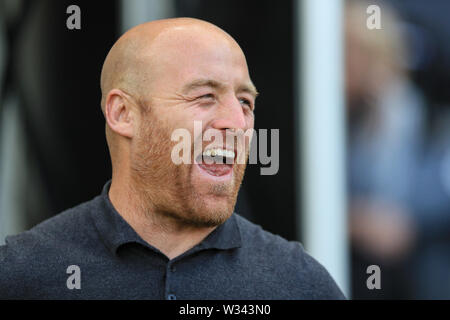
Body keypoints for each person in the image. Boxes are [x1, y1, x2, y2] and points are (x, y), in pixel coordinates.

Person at [0, 18, 344, 299]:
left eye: (245, 102)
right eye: (205, 96)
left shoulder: (298, 283)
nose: (237, 123)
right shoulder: (24, 276)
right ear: (123, 114)